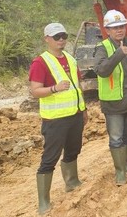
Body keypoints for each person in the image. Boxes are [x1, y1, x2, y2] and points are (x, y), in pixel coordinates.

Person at [29, 23, 87, 214]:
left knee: (73, 150)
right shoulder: (41, 62)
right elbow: (35, 91)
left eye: (63, 36)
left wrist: (83, 109)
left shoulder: (70, 59)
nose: (61, 39)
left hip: (75, 115)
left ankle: (72, 182)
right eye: (56, 37)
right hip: (55, 120)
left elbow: (78, 87)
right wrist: (54, 88)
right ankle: (43, 201)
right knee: (49, 158)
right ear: (47, 39)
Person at [94, 10, 127, 186]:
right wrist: (118, 54)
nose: (119, 30)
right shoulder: (103, 47)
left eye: (121, 26)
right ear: (107, 30)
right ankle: (120, 171)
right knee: (116, 137)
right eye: (115, 27)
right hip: (114, 103)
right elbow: (102, 70)